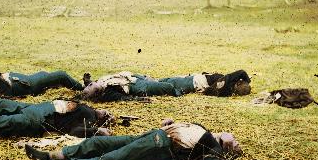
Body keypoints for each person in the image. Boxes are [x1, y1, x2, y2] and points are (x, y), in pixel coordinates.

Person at [25, 118, 263, 160]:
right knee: (100, 143)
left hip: (159, 146)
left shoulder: (212, 148)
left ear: (226, 146)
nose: (236, 140)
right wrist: (170, 123)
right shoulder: (205, 129)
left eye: (235, 144)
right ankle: (53, 156)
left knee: (114, 158)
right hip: (153, 134)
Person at [80, 70, 251, 102]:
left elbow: (240, 72)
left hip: (189, 81)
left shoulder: (224, 85)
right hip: (189, 79)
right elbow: (240, 72)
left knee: (164, 85)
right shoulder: (226, 84)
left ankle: (174, 90)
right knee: (163, 83)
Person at [0, 70, 84, 100]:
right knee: (61, 75)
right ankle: (84, 89)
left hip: (25, 80)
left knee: (44, 74)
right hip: (28, 84)